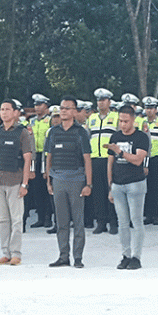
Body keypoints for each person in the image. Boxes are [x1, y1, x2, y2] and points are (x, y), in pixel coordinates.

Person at [45, 96, 92, 268]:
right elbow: (49, 156)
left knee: (78, 222)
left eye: (67, 108)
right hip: (58, 179)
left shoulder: (81, 133)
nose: (63, 110)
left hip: (77, 180)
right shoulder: (53, 132)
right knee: (61, 221)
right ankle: (63, 256)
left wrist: (88, 184)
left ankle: (78, 257)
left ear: (74, 111)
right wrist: (48, 179)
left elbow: (87, 159)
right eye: (61, 107)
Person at [0, 99, 34, 265]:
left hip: (15, 180)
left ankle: (16, 253)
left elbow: (28, 159)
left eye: (7, 109)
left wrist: (24, 184)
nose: (4, 112)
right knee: (2, 219)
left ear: (15, 112)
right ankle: (5, 252)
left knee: (16, 219)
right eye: (1, 109)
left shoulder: (22, 132)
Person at [107, 105, 150, 270]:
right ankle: (125, 255)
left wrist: (120, 152)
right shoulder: (115, 136)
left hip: (135, 183)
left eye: (126, 121)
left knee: (136, 221)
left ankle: (136, 257)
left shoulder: (141, 137)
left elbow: (138, 160)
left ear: (133, 120)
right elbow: (110, 162)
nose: (122, 124)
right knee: (122, 222)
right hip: (118, 184)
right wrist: (110, 186)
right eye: (120, 121)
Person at [87, 88, 119, 234]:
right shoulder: (91, 118)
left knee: (111, 189)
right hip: (95, 158)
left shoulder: (116, 117)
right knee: (98, 191)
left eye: (103, 100)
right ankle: (101, 222)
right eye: (99, 100)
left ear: (109, 101)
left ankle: (114, 221)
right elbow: (87, 138)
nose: (101, 102)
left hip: (110, 158)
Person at [141, 97, 158, 226]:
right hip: (145, 158)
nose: (149, 111)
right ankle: (148, 214)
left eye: (151, 108)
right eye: (147, 108)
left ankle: (157, 215)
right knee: (146, 188)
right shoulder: (143, 123)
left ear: (156, 109)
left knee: (156, 187)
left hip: (157, 159)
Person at [29, 94, 53, 230]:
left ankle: (48, 218)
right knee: (36, 188)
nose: (37, 107)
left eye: (40, 105)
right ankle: (40, 217)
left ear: (46, 106)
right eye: (35, 105)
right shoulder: (32, 121)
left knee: (46, 187)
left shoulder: (49, 120)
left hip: (46, 155)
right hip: (34, 156)